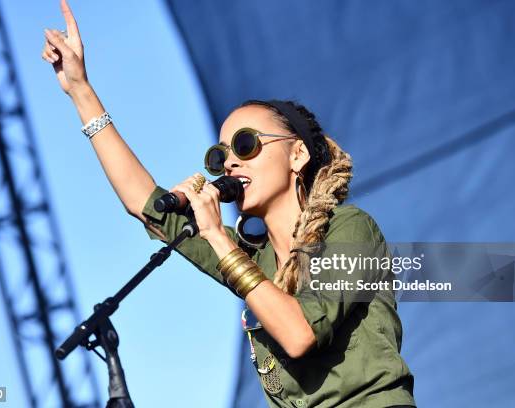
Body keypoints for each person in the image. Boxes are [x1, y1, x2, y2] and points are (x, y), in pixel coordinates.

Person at [41, 1, 416, 407]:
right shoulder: (255, 261)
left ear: (297, 156)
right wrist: (80, 90)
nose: (231, 162)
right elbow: (144, 204)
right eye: (221, 156)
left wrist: (219, 240)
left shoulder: (350, 228)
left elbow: (299, 333)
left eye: (245, 145)